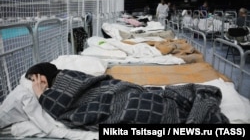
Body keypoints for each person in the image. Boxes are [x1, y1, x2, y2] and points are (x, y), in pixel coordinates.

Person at [25, 62, 229, 131]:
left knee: (139, 98)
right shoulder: (54, 86)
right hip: (122, 98)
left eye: (35, 79)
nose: (35, 84)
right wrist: (45, 95)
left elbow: (99, 86)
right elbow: (70, 107)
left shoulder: (67, 76)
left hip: (125, 94)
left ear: (43, 77)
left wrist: (43, 96)